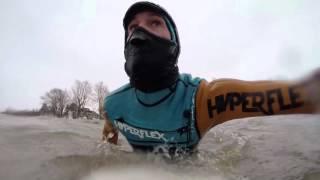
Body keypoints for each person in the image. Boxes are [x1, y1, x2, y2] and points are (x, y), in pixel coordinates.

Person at [102, 1, 320, 154]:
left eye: (154, 23)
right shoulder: (113, 105)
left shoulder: (201, 100)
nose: (140, 33)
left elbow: (304, 94)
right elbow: (106, 148)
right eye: (133, 27)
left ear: (174, 43)